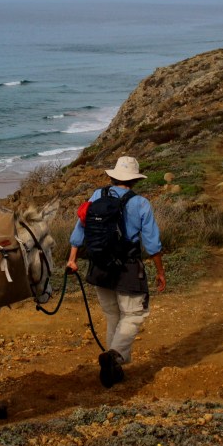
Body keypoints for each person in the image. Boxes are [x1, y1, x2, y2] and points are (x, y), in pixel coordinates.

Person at [66, 156, 166, 388]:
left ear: (113, 177)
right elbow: (152, 243)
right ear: (134, 181)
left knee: (113, 315)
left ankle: (113, 369)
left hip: (99, 266)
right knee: (133, 315)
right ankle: (114, 356)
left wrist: (72, 259)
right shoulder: (140, 203)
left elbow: (79, 229)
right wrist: (160, 271)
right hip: (127, 267)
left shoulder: (96, 196)